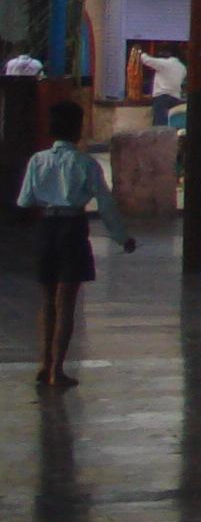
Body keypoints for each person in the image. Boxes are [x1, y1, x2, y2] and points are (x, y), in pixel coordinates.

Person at [19, 99, 131, 387]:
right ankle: (57, 369)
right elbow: (106, 205)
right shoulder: (86, 163)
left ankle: (44, 363)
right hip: (72, 228)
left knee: (47, 301)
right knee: (66, 303)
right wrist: (123, 237)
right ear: (77, 130)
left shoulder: (37, 160)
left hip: (46, 228)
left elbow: (25, 200)